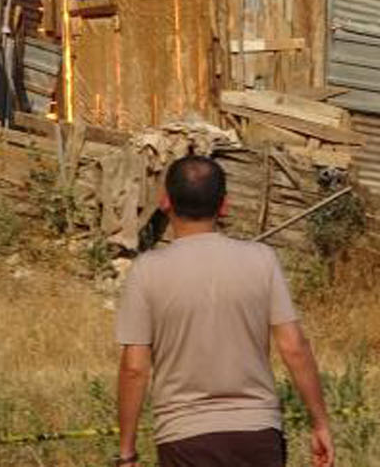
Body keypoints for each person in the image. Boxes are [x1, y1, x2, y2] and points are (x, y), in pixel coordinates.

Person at [116, 155, 334, 467]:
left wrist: (127, 452)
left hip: (183, 438)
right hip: (258, 434)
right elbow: (294, 347)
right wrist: (320, 423)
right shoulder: (262, 260)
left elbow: (135, 368)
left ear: (165, 202)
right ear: (224, 206)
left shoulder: (146, 271)